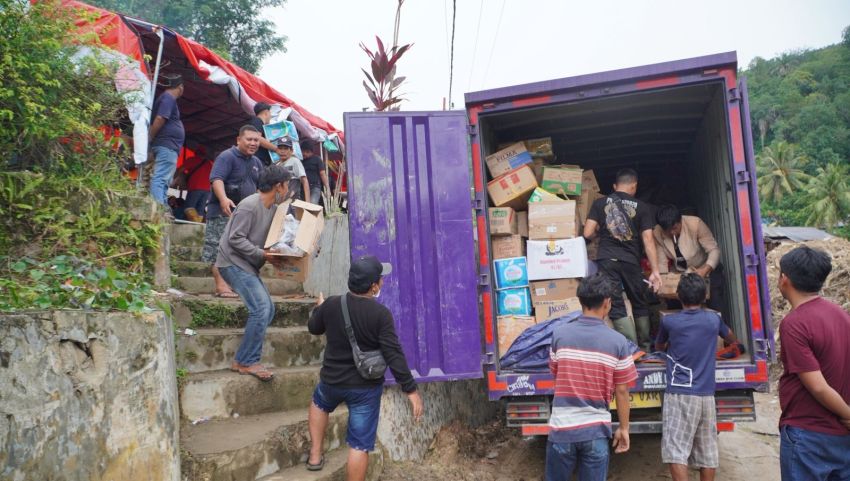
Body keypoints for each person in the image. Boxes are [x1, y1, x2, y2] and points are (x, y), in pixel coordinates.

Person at [306, 255, 424, 480]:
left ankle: (314, 456)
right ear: (373, 286)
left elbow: (314, 327)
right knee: (359, 445)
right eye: (380, 279)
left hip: (331, 381)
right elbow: (393, 354)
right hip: (364, 389)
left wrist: (318, 309)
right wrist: (411, 390)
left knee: (319, 404)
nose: (382, 281)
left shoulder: (332, 304)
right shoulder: (380, 315)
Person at [546, 273, 637, 481]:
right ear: (607, 303)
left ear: (580, 301)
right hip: (596, 432)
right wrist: (624, 428)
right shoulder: (618, 341)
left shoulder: (559, 335)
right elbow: (622, 390)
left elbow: (556, 374)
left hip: (562, 430)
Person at [655, 274, 740, 481]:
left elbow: (659, 346)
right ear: (704, 297)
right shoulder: (713, 320)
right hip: (706, 395)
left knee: (676, 451)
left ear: (678, 296)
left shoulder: (669, 322)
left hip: (680, 393)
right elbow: (731, 338)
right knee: (707, 452)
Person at [776, 246, 850, 481]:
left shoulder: (794, 324)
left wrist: (848, 414)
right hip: (841, 436)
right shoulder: (840, 315)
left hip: (808, 435)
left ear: (784, 279)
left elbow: (817, 387)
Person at [216, 164, 291, 381]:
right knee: (261, 309)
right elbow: (235, 238)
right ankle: (248, 361)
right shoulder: (249, 205)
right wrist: (262, 254)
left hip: (247, 265)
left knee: (268, 310)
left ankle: (242, 359)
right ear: (279, 186)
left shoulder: (273, 209)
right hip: (232, 262)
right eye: (286, 185)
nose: (288, 190)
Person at [583, 168, 662, 351]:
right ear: (634, 186)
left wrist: (599, 233)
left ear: (614, 186)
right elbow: (648, 240)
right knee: (639, 301)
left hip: (606, 259)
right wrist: (655, 271)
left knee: (616, 303)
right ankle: (645, 348)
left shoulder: (599, 203)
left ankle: (630, 350)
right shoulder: (642, 207)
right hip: (630, 261)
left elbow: (587, 233)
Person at [201, 125, 265, 298]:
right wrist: (223, 199)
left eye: (256, 140)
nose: (253, 143)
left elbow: (261, 187)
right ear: (239, 140)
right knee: (218, 248)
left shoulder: (256, 163)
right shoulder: (227, 156)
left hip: (244, 216)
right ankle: (221, 286)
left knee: (238, 250)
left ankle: (235, 285)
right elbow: (216, 179)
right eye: (249, 139)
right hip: (223, 211)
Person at [654, 205, 725, 312]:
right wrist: (662, 281)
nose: (672, 233)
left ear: (680, 221)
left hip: (705, 267)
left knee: (714, 304)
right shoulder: (657, 232)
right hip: (682, 272)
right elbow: (661, 262)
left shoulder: (695, 224)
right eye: (668, 230)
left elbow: (714, 250)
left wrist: (705, 270)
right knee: (674, 304)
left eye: (675, 228)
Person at [148, 74, 185, 206]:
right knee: (160, 178)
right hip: (167, 145)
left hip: (167, 146)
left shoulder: (166, 98)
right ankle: (157, 209)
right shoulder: (168, 98)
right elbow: (160, 118)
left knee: (164, 180)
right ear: (180, 87)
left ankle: (161, 208)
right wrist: (150, 137)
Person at [172, 149, 213, 222]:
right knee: (200, 210)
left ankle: (186, 224)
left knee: (189, 208)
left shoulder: (192, 160)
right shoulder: (209, 164)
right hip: (207, 190)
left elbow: (180, 169)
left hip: (195, 187)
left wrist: (173, 178)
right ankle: (197, 225)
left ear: (196, 153)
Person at [276, 137, 310, 203]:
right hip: (279, 200)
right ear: (277, 150)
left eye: (286, 149)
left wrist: (308, 202)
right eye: (280, 148)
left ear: (291, 150)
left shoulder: (295, 161)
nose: (282, 151)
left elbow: (304, 180)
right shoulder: (277, 165)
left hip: (293, 200)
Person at [248, 101, 281, 167]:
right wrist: (276, 149)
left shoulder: (260, 124)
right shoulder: (257, 121)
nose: (271, 116)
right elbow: (258, 138)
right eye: (270, 113)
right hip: (257, 160)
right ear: (266, 112)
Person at [300, 139, 331, 205]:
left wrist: (327, 188)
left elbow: (322, 174)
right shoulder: (299, 161)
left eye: (307, 152)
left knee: (312, 205)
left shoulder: (317, 159)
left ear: (312, 152)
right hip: (302, 188)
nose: (304, 154)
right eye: (303, 151)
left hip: (314, 187)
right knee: (302, 206)